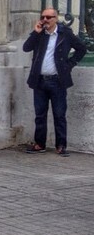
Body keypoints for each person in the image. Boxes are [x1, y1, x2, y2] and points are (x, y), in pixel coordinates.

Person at [23, 8, 88, 156]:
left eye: (49, 17)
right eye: (43, 17)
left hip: (57, 81)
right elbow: (26, 48)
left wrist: (69, 65)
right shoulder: (40, 34)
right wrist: (35, 32)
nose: (45, 20)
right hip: (39, 81)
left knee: (59, 114)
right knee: (40, 115)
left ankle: (61, 146)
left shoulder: (65, 33)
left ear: (56, 18)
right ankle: (40, 144)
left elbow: (82, 49)